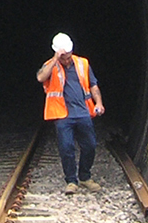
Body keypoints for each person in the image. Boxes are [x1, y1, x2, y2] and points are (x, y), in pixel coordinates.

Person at [37, 32, 104, 195]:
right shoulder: (51, 65)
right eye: (63, 57)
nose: (66, 60)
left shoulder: (83, 63)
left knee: (90, 145)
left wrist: (99, 103)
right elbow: (40, 78)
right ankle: (71, 181)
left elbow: (93, 85)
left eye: (67, 56)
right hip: (62, 115)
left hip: (83, 112)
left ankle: (85, 177)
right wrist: (55, 59)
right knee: (66, 148)